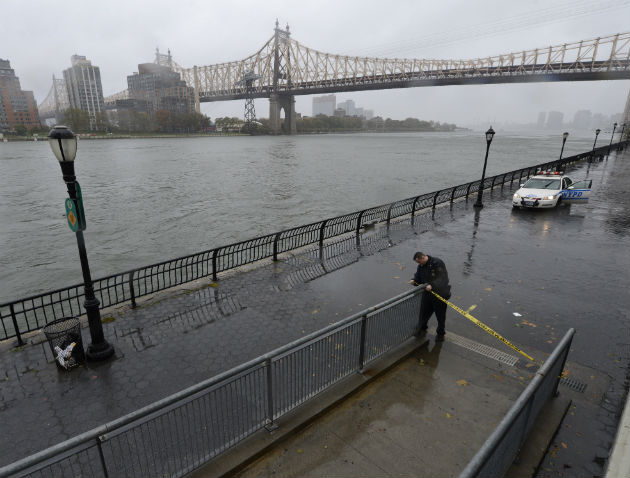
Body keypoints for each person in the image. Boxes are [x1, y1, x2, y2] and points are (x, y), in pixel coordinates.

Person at [410, 251, 451, 342]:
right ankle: (422, 328)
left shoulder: (437, 263)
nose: (419, 264)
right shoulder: (421, 266)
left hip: (439, 294)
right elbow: (418, 277)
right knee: (424, 312)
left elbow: (443, 279)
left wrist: (432, 285)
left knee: (440, 316)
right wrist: (414, 280)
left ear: (423, 258)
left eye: (419, 262)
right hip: (427, 294)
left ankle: (440, 333)